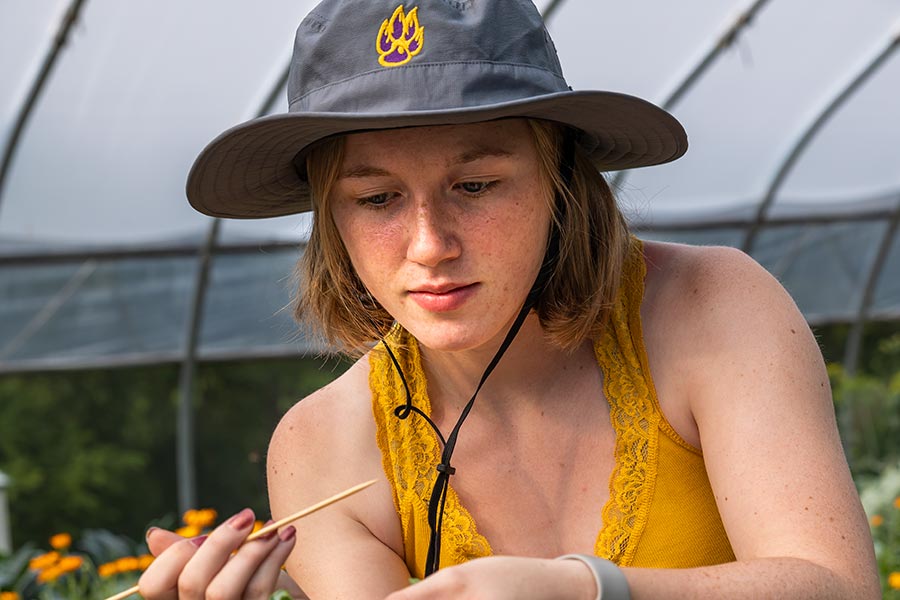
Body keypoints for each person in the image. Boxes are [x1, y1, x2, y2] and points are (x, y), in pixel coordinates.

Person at [138, 0, 880, 598]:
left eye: (476, 186)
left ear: (562, 181)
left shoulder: (712, 309)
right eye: (376, 198)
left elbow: (837, 588)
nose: (429, 244)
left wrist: (588, 592)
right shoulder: (320, 449)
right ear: (329, 218)